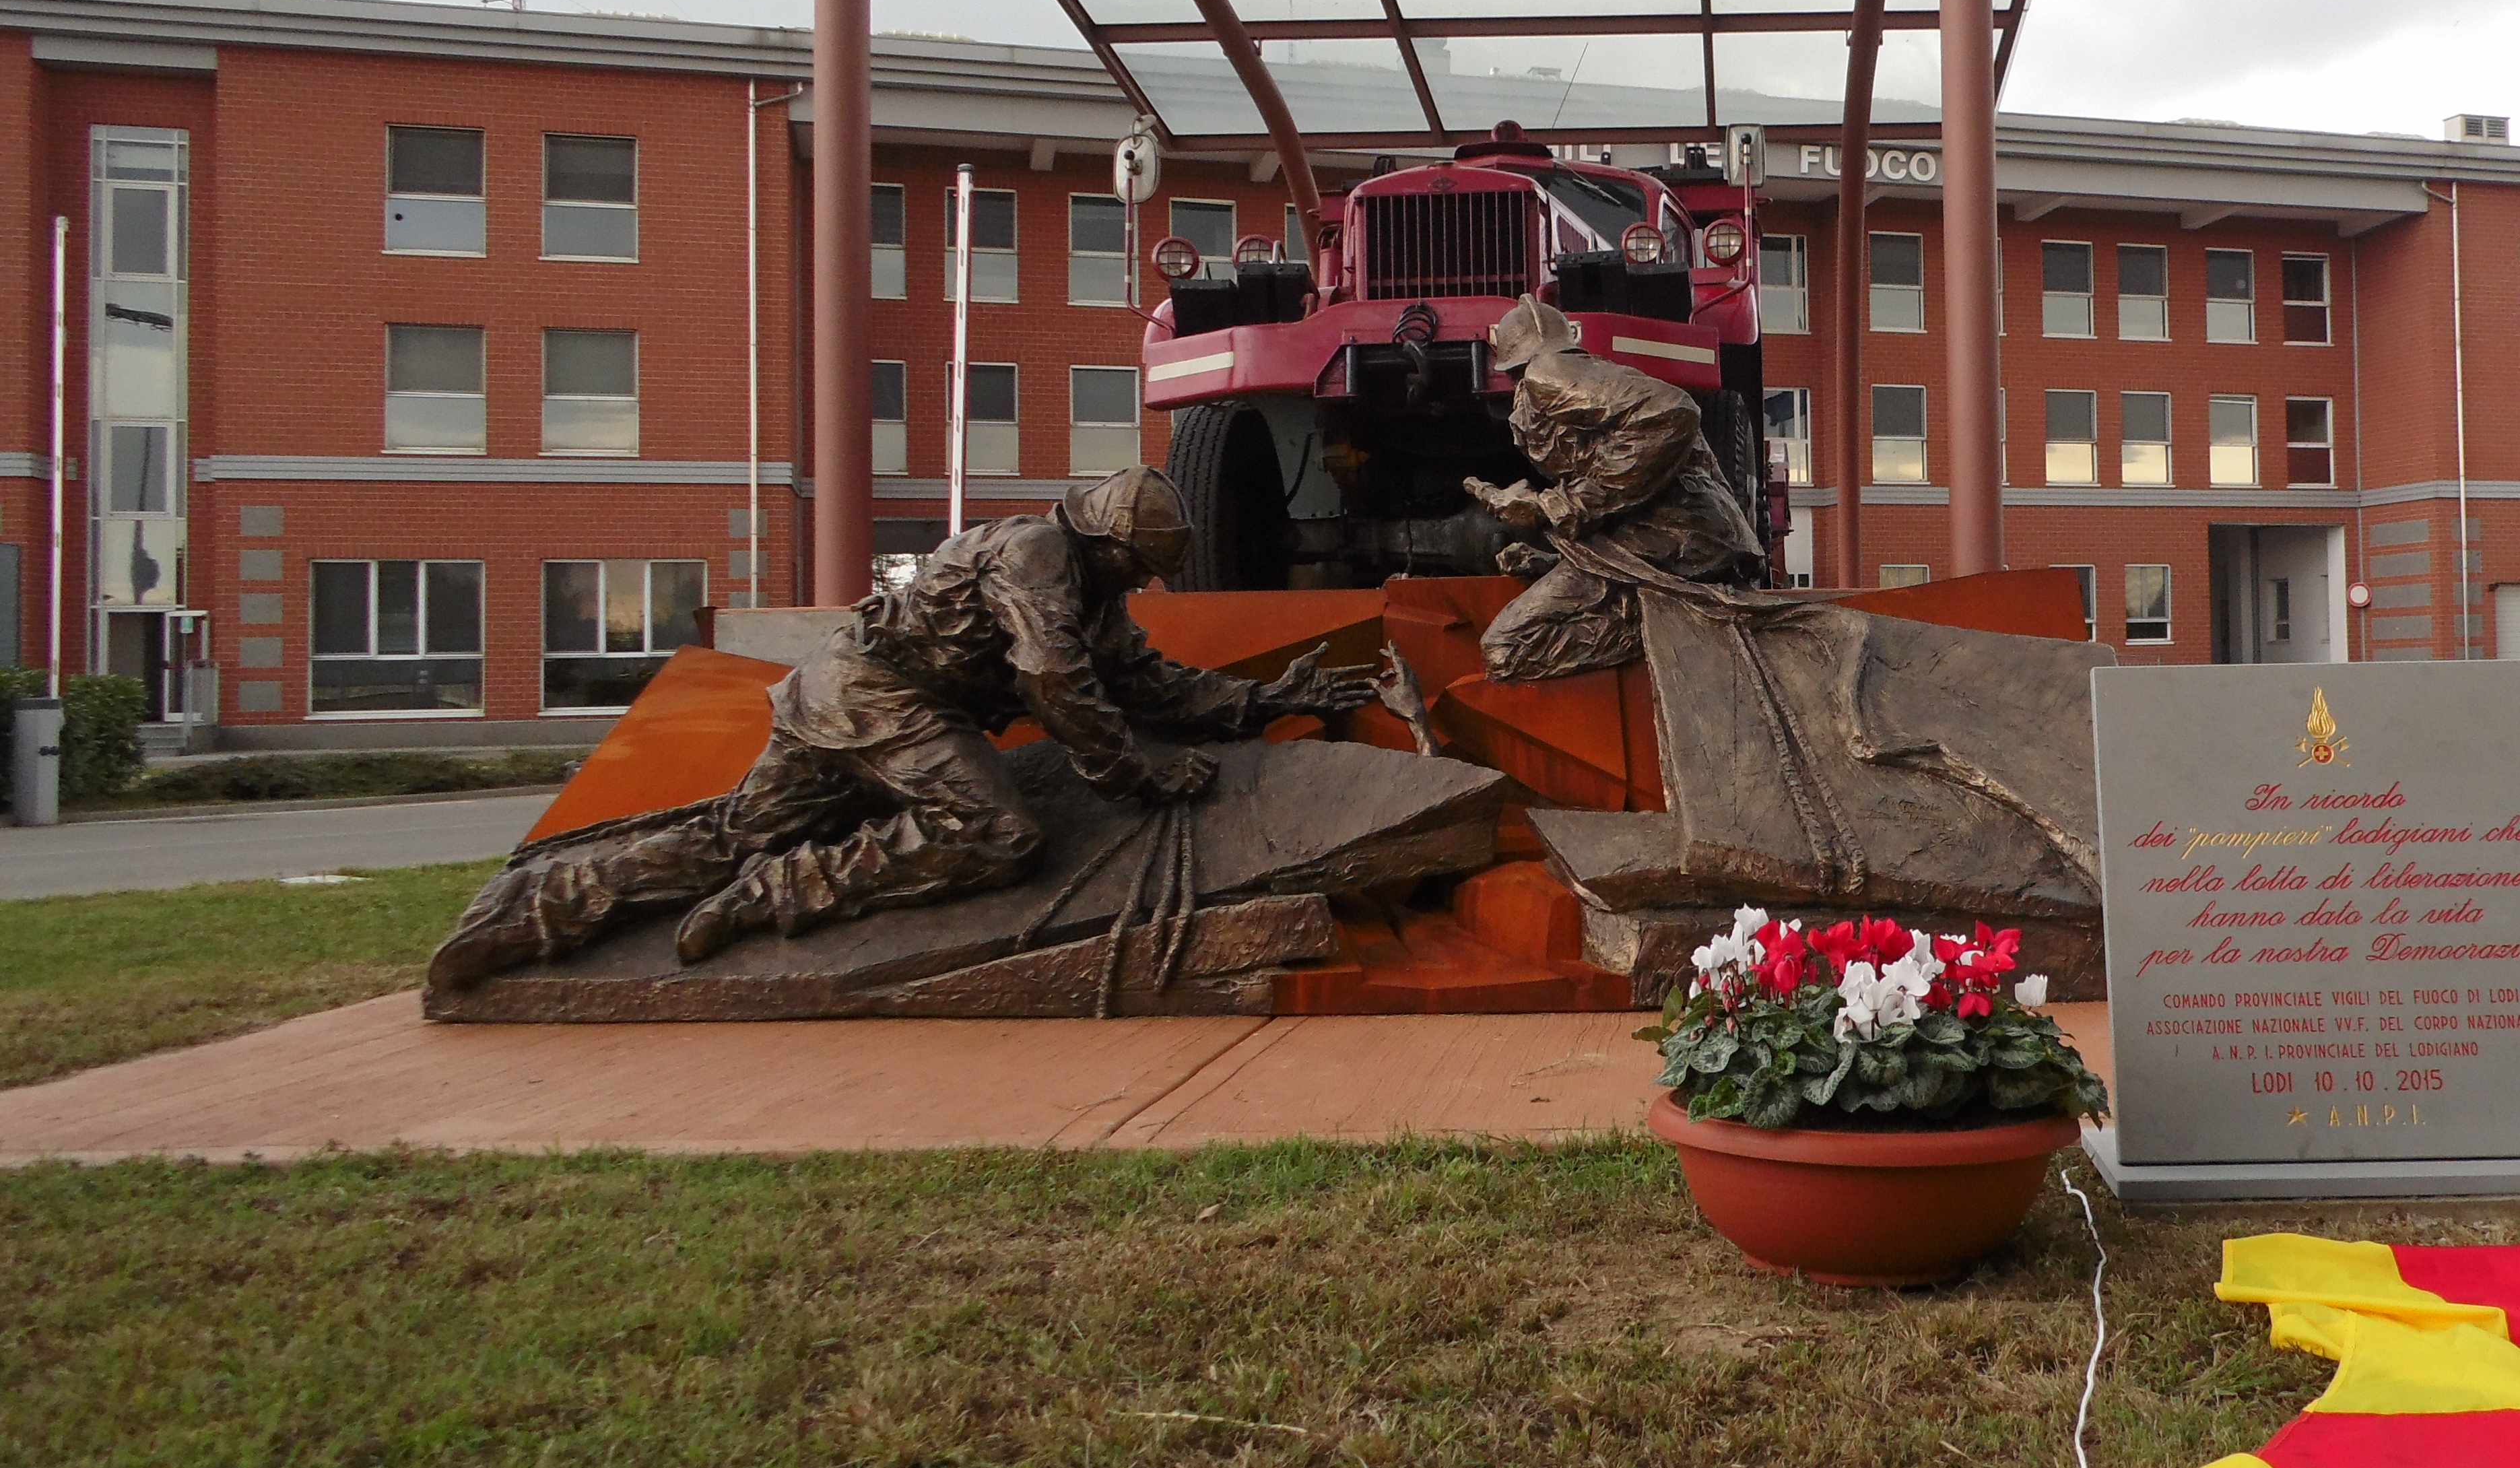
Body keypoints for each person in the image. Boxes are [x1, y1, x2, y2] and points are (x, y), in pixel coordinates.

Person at [427, 468, 1371, 988]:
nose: (1142, 585)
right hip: (877, 698)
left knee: (732, 837)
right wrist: (1134, 777)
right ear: (1109, 541)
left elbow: (1144, 681)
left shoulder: (1091, 594)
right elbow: (1053, 676)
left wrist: (1266, 702)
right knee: (996, 833)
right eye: (1140, 565)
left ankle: (533, 913)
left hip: (849, 700)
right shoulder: (1035, 552)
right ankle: (770, 895)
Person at [1465, 294, 1762, 681]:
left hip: (1682, 540)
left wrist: (1557, 506)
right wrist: (1553, 558)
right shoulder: (1553, 383)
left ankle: (1698, 622)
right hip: (1661, 540)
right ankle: (1684, 617)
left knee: (1506, 649)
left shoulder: (1548, 371)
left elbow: (1671, 412)